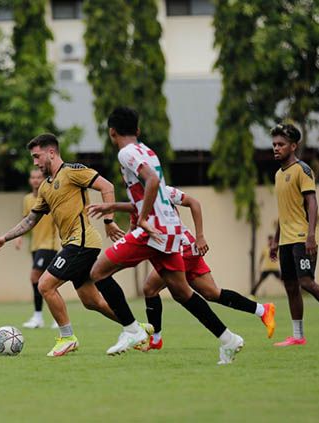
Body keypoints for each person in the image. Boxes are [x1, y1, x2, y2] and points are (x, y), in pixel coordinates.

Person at [87, 107, 244, 364]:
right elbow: (153, 192)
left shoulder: (125, 153)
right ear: (137, 130)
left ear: (111, 132)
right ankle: (229, 339)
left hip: (153, 230)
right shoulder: (148, 151)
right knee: (182, 293)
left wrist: (144, 218)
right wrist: (114, 207)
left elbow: (151, 183)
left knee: (98, 272)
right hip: (171, 229)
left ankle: (132, 330)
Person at [0, 134, 149, 357]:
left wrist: (109, 220)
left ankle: (67, 338)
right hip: (75, 244)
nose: (35, 162)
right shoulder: (46, 187)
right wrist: (5, 238)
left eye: (37, 157)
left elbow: (107, 186)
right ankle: (136, 328)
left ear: (51, 153)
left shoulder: (73, 171)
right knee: (92, 301)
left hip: (82, 242)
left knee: (45, 284)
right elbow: (31, 219)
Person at [89, 183, 276, 352]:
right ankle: (262, 310)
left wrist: (200, 235)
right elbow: (134, 230)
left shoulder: (164, 191)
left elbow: (194, 203)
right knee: (211, 293)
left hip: (183, 247)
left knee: (150, 288)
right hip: (179, 247)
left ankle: (155, 338)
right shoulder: (137, 203)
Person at [269, 123, 319, 346]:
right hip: (286, 239)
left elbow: (312, 202)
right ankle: (298, 336)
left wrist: (311, 235)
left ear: (293, 146)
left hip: (301, 237)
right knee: (290, 286)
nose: (276, 148)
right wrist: (276, 240)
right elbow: (284, 210)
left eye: (281, 144)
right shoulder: (278, 174)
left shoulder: (303, 170)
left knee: (306, 282)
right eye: (274, 144)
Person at [15, 169, 61, 329]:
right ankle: (49, 318)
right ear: (29, 180)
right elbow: (26, 219)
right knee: (47, 283)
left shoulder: (49, 196)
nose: (35, 180)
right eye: (32, 177)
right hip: (35, 245)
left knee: (36, 277)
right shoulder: (27, 199)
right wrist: (19, 237)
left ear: (44, 179)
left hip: (49, 245)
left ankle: (39, 316)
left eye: (38, 177)